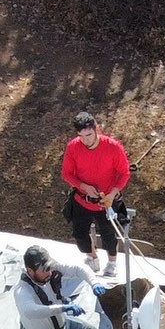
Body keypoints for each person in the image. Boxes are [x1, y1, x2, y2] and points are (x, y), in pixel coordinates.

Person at [59, 112, 131, 276]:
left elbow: (124, 173)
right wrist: (82, 186)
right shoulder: (73, 147)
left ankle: (112, 262)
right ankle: (92, 258)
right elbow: (67, 174)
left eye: (89, 134)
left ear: (96, 129)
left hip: (106, 201)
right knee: (79, 233)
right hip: (82, 199)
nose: (86, 140)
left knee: (108, 234)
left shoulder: (112, 147)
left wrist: (112, 194)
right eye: (81, 136)